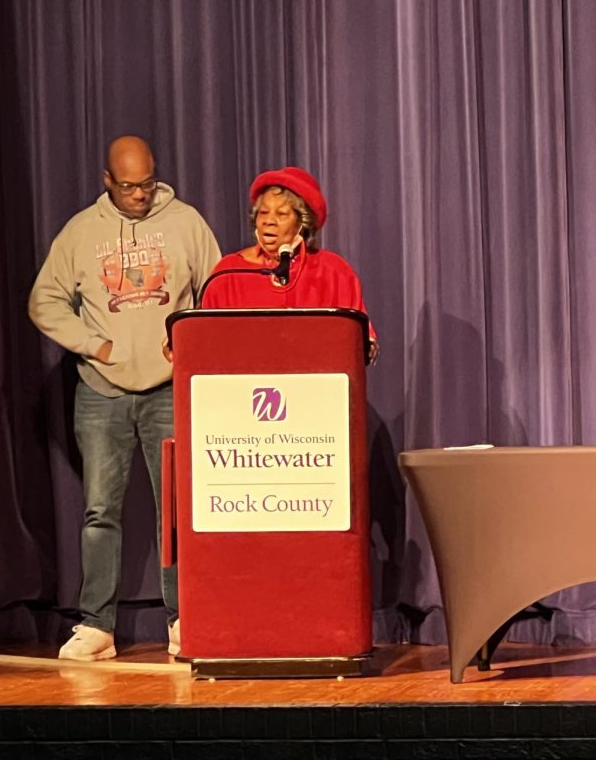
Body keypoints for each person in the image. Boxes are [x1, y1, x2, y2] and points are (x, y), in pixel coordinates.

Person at [29, 135, 220, 661]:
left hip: (167, 388)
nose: (140, 195)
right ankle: (97, 627)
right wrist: (95, 344)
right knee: (99, 511)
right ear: (107, 182)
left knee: (177, 510)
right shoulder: (81, 232)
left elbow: (217, 290)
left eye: (148, 183)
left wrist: (189, 343)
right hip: (101, 391)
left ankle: (187, 618)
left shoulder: (185, 223)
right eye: (129, 186)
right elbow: (45, 300)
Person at [201, 166, 377, 361]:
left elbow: (359, 341)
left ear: (302, 222)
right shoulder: (228, 273)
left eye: (281, 214)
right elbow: (207, 341)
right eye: (263, 213)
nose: (269, 221)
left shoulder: (333, 272)